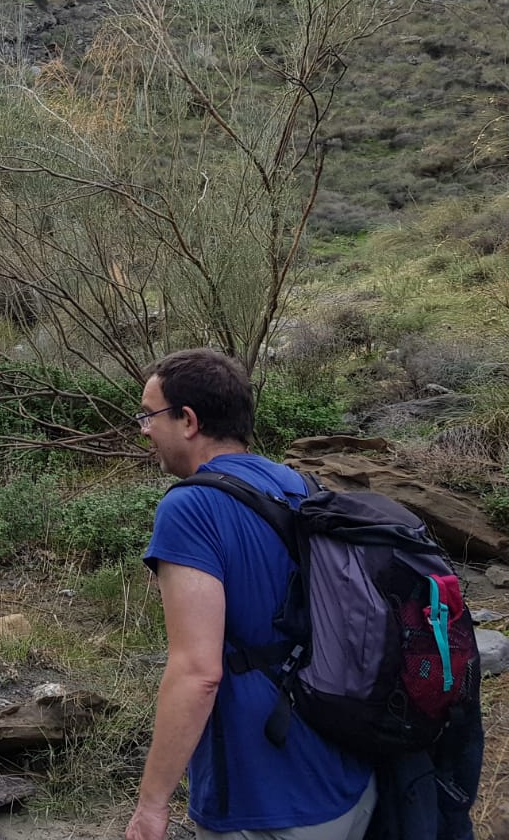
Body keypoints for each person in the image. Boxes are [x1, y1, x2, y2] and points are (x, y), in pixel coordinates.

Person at [126, 348, 374, 840]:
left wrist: (152, 805)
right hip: (350, 782)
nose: (145, 429)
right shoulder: (301, 486)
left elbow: (198, 673)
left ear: (188, 420)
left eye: (149, 415)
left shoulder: (190, 508)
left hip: (264, 800)